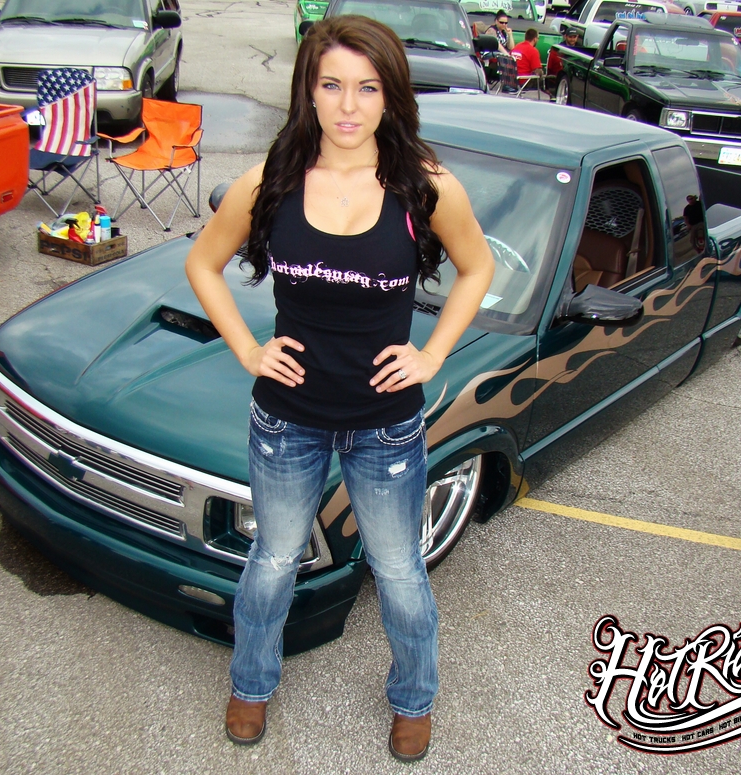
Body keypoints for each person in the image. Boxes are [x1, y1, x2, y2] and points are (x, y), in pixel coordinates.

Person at [185, 14, 494, 764]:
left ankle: (414, 698)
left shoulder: (425, 188)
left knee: (399, 569)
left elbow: (478, 267)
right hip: (286, 420)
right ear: (309, 91)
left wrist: (433, 355)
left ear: (391, 96)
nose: (348, 106)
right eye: (331, 86)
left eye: (367, 87)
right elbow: (202, 263)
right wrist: (248, 348)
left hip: (386, 425)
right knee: (273, 560)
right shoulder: (273, 182)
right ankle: (251, 684)